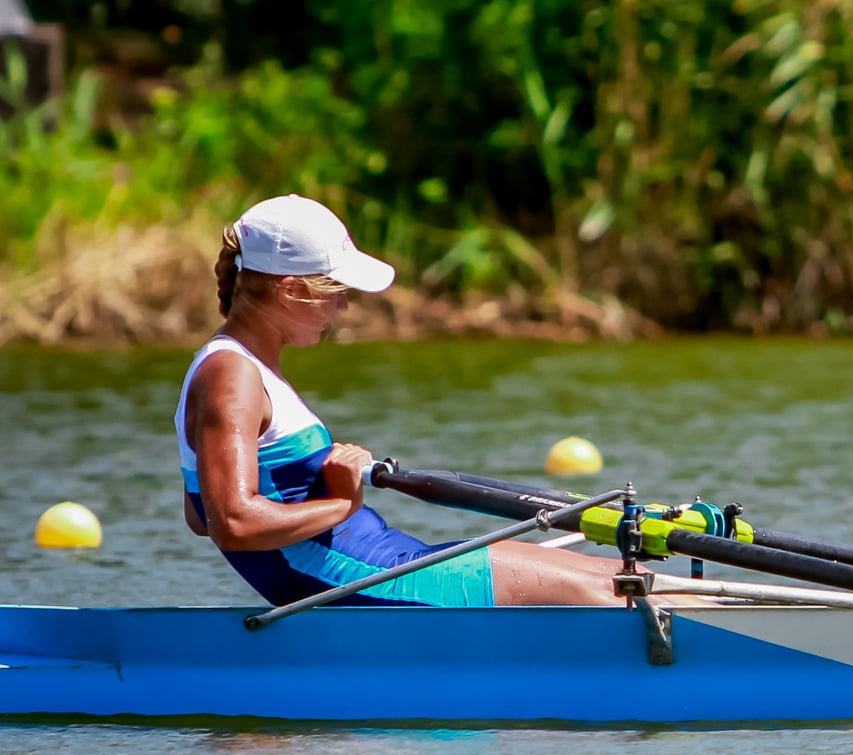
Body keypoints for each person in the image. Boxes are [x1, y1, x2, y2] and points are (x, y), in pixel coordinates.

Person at [177, 194, 635, 607]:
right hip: (362, 581)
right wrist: (340, 503)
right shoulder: (231, 376)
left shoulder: (238, 367)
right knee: (615, 591)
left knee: (622, 576)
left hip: (379, 565)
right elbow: (232, 523)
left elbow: (201, 514)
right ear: (291, 289)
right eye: (337, 293)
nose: (343, 309)